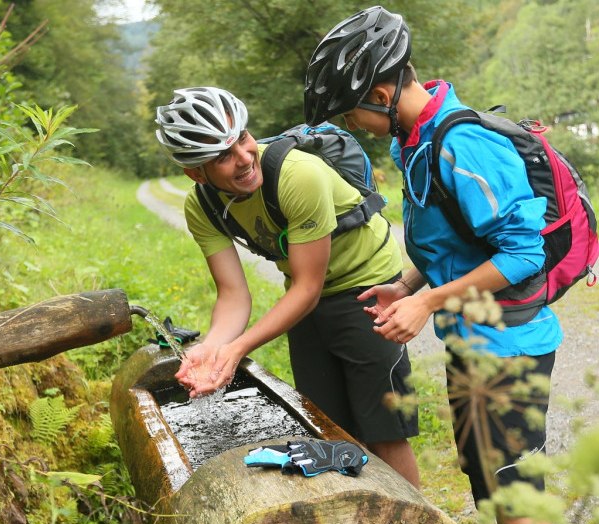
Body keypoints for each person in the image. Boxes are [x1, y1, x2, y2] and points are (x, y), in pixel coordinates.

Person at [306, 7, 575, 524]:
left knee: (519, 498)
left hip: (509, 345)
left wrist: (425, 304)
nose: (353, 126)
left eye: (352, 111)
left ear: (381, 91)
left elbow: (521, 252)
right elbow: (452, 241)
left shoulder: (462, 143)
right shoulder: (416, 141)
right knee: (491, 482)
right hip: (471, 342)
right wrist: (404, 284)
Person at [153, 86, 421, 486]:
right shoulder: (202, 206)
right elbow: (232, 294)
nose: (245, 159)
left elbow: (307, 288)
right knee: (325, 427)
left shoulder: (299, 174)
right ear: (196, 172)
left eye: (242, 139)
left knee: (384, 430)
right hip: (307, 297)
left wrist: (238, 348)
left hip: (367, 284)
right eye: (223, 156)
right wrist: (211, 347)